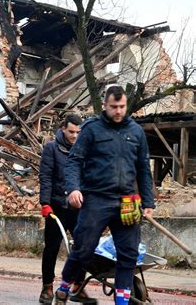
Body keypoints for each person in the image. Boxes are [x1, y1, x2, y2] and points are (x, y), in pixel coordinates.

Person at [54, 86, 154, 305]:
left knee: (128, 256)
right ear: (105, 106)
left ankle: (121, 303)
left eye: (121, 107)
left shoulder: (136, 132)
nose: (118, 111)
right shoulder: (91, 129)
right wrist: (73, 189)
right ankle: (64, 286)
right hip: (96, 199)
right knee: (83, 249)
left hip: (127, 202)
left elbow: (144, 169)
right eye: (113, 107)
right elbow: (74, 161)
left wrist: (148, 201)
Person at [39, 114, 96, 304]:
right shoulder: (51, 149)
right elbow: (46, 177)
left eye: (79, 132)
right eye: (71, 132)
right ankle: (47, 287)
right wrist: (45, 203)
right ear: (63, 129)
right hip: (57, 207)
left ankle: (77, 287)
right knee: (52, 248)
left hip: (79, 207)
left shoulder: (85, 150)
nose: (75, 136)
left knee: (82, 248)